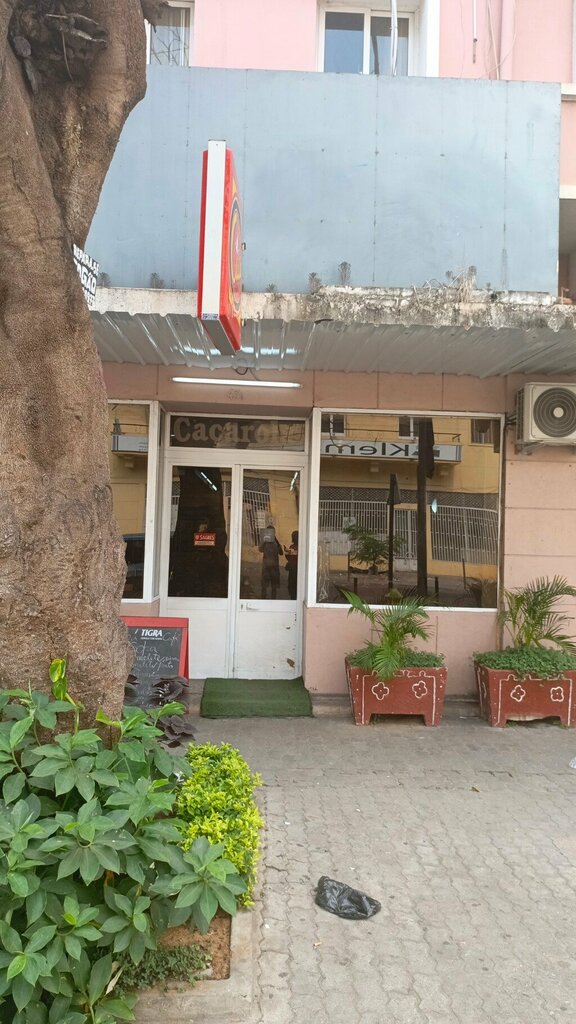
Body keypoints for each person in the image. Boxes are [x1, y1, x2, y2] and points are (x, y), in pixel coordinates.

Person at [259, 525, 283, 599]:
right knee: (264, 586)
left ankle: (273, 600)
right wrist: (265, 540)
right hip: (266, 566)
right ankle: (263, 598)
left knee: (274, 587)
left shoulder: (276, 542)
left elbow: (281, 553)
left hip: (274, 567)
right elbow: (260, 549)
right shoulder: (265, 541)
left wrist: (277, 542)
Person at [284, 530, 299, 600]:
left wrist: (288, 552)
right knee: (294, 586)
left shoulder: (295, 546)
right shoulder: (292, 546)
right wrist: (287, 552)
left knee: (293, 586)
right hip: (294, 569)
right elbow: (289, 558)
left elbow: (291, 557)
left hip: (295, 569)